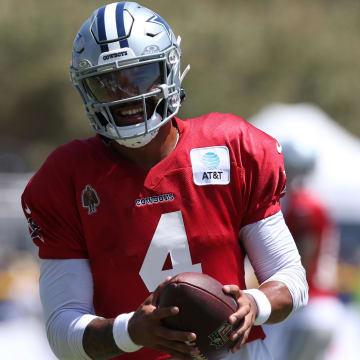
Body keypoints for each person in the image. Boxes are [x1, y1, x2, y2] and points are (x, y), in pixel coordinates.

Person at [21, 2, 308, 360]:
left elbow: (291, 282)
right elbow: (63, 329)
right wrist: (131, 331)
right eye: (108, 83)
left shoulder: (233, 147)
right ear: (87, 89)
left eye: (139, 76)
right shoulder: (65, 178)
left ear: (168, 70)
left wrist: (254, 303)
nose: (126, 95)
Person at [263, 139, 343, 360]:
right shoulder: (317, 200)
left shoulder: (301, 205)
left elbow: (300, 259)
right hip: (326, 306)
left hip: (304, 307)